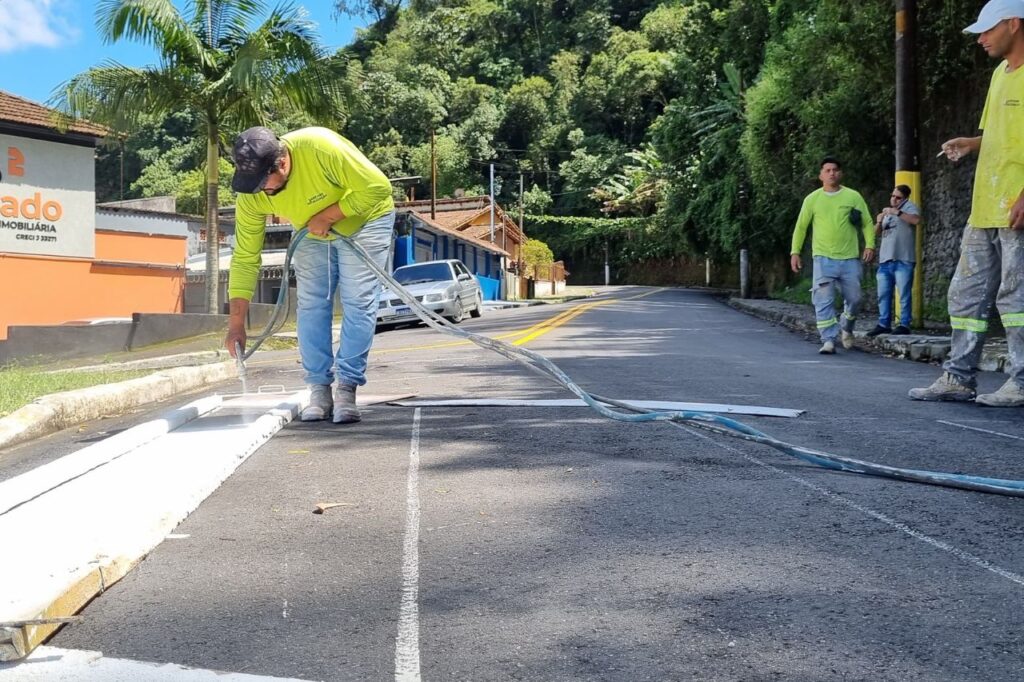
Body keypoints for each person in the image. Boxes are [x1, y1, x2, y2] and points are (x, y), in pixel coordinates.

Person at [225, 126, 396, 423]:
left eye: (264, 182)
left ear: (282, 163)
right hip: (310, 231)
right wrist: (236, 323)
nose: (260, 191)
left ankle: (347, 388)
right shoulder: (252, 194)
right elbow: (245, 257)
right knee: (312, 303)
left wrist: (327, 216)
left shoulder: (320, 147)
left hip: (367, 219)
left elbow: (378, 188)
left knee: (358, 301)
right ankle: (318, 388)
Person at [909, 0, 1024, 407]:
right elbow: (999, 135)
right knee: (966, 294)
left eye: (988, 29)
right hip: (984, 207)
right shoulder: (999, 75)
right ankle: (958, 377)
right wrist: (971, 143)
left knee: (1015, 298)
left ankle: (1022, 381)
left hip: (1016, 206)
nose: (981, 38)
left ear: (1014, 23)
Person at [790, 157, 876, 354]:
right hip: (823, 258)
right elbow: (801, 227)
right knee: (823, 298)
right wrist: (795, 252)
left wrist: (870, 245)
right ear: (821, 175)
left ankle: (846, 327)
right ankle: (828, 339)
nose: (831, 173)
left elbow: (867, 222)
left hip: (849, 259)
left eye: (835, 170)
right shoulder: (812, 199)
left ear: (840, 173)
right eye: (827, 170)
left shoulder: (853, 197)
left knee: (854, 299)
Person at [867, 184, 921, 337]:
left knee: (904, 293)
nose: (894, 199)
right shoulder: (887, 213)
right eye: (893, 196)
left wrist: (897, 212)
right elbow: (874, 234)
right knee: (883, 293)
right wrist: (878, 221)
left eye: (898, 197)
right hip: (886, 259)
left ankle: (904, 324)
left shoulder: (909, 207)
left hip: (903, 258)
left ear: (905, 198)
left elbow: (916, 220)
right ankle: (883, 323)